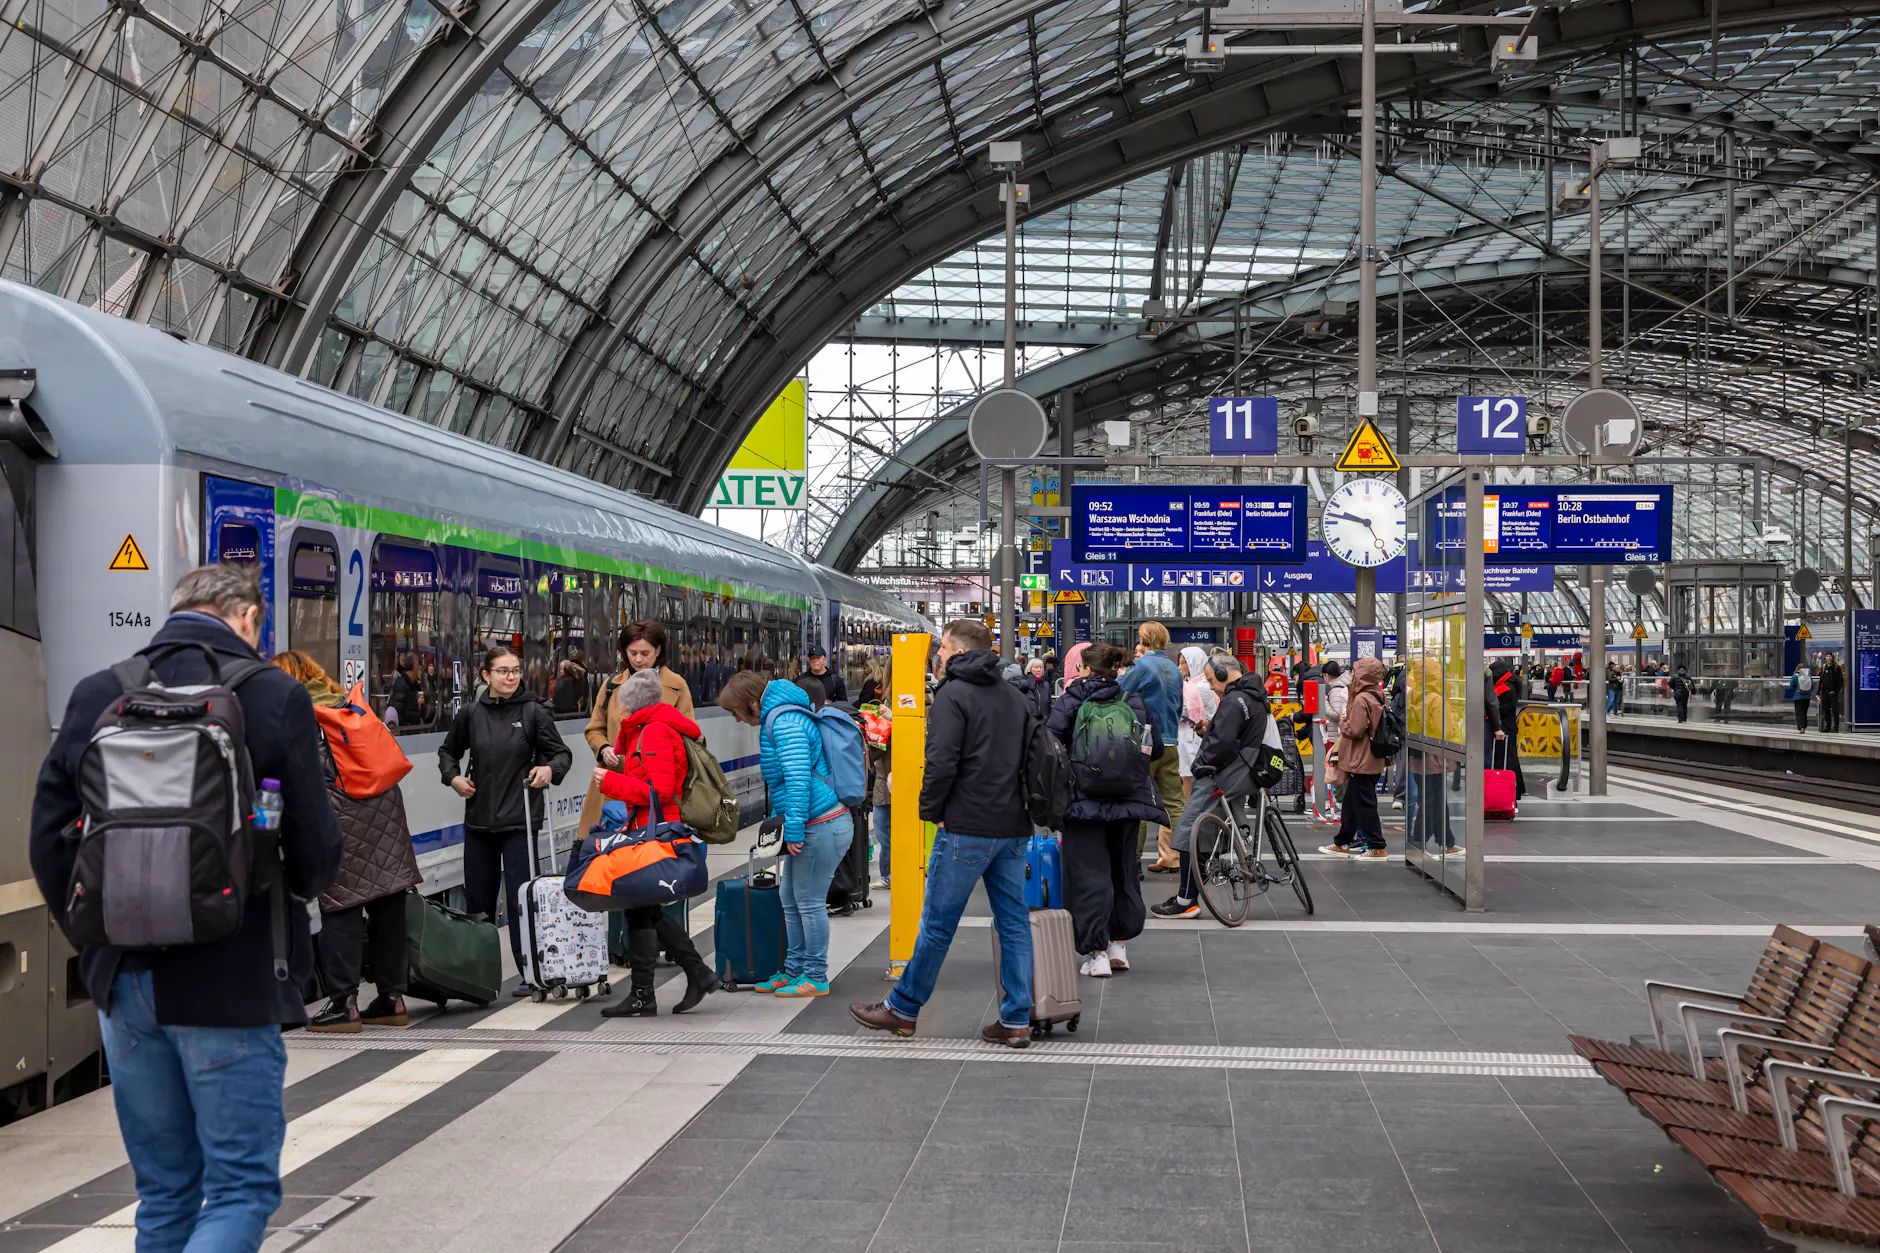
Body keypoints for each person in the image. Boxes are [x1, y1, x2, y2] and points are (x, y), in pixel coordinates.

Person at [30, 564, 343, 1253]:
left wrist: (98, 939)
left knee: (166, 1191)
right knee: (239, 1189)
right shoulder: (274, 694)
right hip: (230, 981)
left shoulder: (100, 692)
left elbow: (46, 841)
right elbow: (319, 851)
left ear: (176, 611)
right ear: (248, 619)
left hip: (124, 981)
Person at [848, 620, 1035, 1047]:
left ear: (959, 651)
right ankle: (1016, 1019)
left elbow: (942, 761)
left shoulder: (954, 694)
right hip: (1012, 826)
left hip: (967, 826)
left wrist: (931, 813)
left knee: (936, 923)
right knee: (1013, 923)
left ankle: (903, 1008)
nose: (938, 657)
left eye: (943, 649)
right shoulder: (1015, 696)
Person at [271, 651, 421, 1032]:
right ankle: (392, 999)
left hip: (343, 817)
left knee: (340, 907)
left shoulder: (299, 714)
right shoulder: (347, 703)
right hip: (386, 812)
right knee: (389, 905)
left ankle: (343, 1004)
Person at [437, 645, 572, 987]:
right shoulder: (471, 714)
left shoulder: (534, 712)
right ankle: (478, 976)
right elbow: (448, 752)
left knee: (522, 899)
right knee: (478, 903)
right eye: (503, 671)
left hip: (520, 822)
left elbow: (561, 755)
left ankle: (531, 973)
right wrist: (453, 777)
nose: (511, 677)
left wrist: (548, 770)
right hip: (479, 823)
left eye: (515, 671)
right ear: (486, 676)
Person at [591, 668, 720, 1016]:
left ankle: (663, 986)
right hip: (647, 825)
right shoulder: (642, 731)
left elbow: (660, 791)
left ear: (630, 704)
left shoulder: (657, 732)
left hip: (659, 828)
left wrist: (611, 784)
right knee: (641, 906)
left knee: (641, 905)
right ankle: (668, 984)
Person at [716, 670, 849, 996]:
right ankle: (793, 970)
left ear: (751, 703)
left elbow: (798, 779)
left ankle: (815, 975)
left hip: (820, 824)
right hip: (813, 823)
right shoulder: (779, 718)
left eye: (736, 712)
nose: (736, 720)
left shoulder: (785, 722)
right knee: (790, 898)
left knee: (809, 902)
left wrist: (791, 829)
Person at [1047, 643, 1166, 975]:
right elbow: (1154, 749)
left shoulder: (1072, 700)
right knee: (1122, 870)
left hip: (1083, 803)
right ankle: (1118, 946)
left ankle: (1096, 953)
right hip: (1127, 802)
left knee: (1088, 875)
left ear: (1085, 670)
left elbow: (1048, 745)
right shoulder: (1134, 702)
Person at [1155, 654, 1269, 918]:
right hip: (1246, 771)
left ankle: (1185, 901)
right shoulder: (1255, 695)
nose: (1212, 686)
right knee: (1205, 833)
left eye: (1211, 680)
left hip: (1225, 773)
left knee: (1187, 831)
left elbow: (1222, 745)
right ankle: (1192, 893)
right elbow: (1233, 735)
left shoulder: (1233, 700)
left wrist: (1199, 765)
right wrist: (1211, 729)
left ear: (1222, 674)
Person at [578, 620, 694, 837]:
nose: (638, 659)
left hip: (657, 793)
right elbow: (594, 728)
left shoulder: (677, 685)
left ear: (658, 650)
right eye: (632, 653)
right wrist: (604, 748)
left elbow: (689, 736)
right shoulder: (611, 686)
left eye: (645, 653)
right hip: (613, 787)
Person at [1120, 621, 1184, 872]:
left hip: (1144, 742)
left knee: (1139, 801)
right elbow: (1178, 707)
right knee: (1174, 804)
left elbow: (1121, 695)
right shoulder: (1173, 668)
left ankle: (1133, 862)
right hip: (1170, 740)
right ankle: (1183, 856)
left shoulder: (1141, 666)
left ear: (1144, 639)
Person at [1320, 657, 1390, 859]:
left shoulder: (1361, 699)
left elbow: (1356, 729)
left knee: (1365, 803)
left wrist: (1343, 724)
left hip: (1362, 758)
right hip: (1373, 756)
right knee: (1351, 801)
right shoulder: (1378, 695)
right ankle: (1342, 842)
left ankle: (1377, 846)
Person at [1174, 646, 1219, 838]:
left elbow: (1179, 711)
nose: (1180, 666)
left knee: (1188, 792)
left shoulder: (1199, 688)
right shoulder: (1193, 685)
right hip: (1190, 743)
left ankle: (1189, 835)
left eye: (1184, 662)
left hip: (1195, 744)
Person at [1490, 657, 1526, 799]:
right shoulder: (1508, 684)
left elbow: (1503, 708)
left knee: (1509, 759)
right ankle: (1517, 788)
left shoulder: (1506, 687)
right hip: (1508, 726)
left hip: (1505, 727)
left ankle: (1514, 789)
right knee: (1511, 757)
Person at [389, 650, 427, 727]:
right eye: (419, 667)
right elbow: (399, 713)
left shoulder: (412, 685)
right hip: (407, 732)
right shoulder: (402, 685)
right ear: (415, 666)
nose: (421, 670)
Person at [1818, 656, 1845, 732]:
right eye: (1827, 656)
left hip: (1833, 693)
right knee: (1826, 710)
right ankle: (1828, 726)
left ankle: (1836, 727)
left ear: (1832, 658)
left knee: (1834, 710)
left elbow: (1840, 681)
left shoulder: (1836, 668)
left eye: (1830, 656)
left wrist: (1835, 691)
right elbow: (1821, 679)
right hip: (1825, 692)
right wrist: (1819, 691)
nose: (1828, 658)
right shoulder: (1824, 667)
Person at [1788, 663, 1815, 733]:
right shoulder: (1808, 676)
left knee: (1799, 712)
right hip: (1807, 697)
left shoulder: (1794, 676)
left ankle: (1801, 727)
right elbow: (1812, 687)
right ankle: (1804, 726)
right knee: (1804, 712)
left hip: (1797, 697)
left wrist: (1794, 693)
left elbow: (1791, 687)